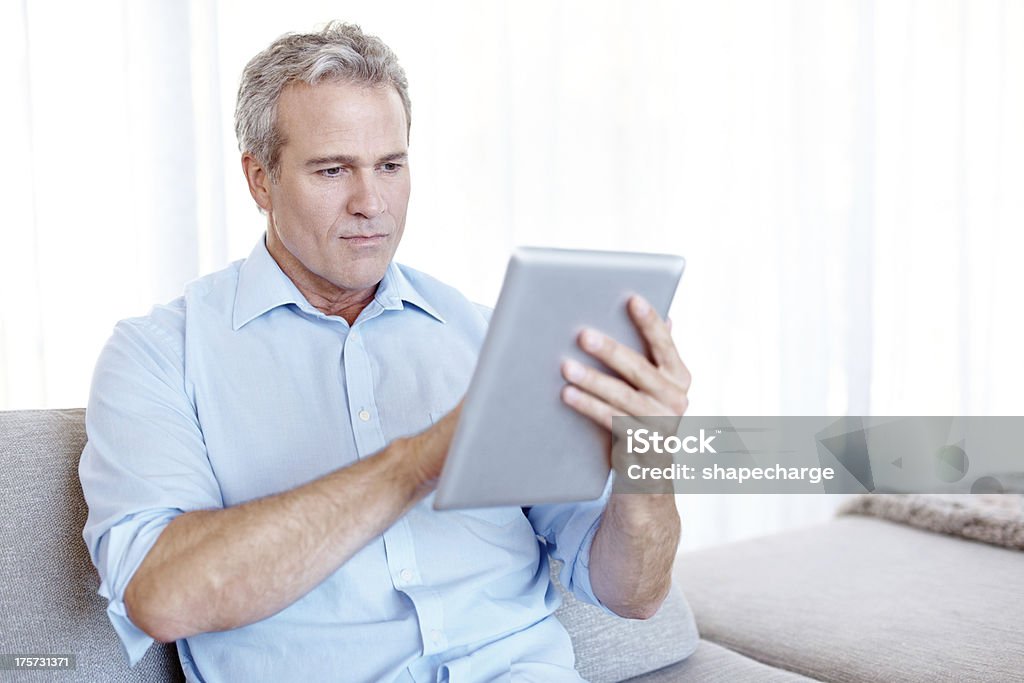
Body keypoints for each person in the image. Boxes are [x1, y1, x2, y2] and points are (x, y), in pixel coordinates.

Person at [80, 22, 689, 683]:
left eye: (390, 166)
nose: (371, 203)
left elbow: (634, 592)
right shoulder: (159, 357)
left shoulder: (483, 334)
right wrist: (419, 459)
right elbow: (162, 594)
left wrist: (647, 462)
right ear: (260, 179)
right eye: (333, 169)